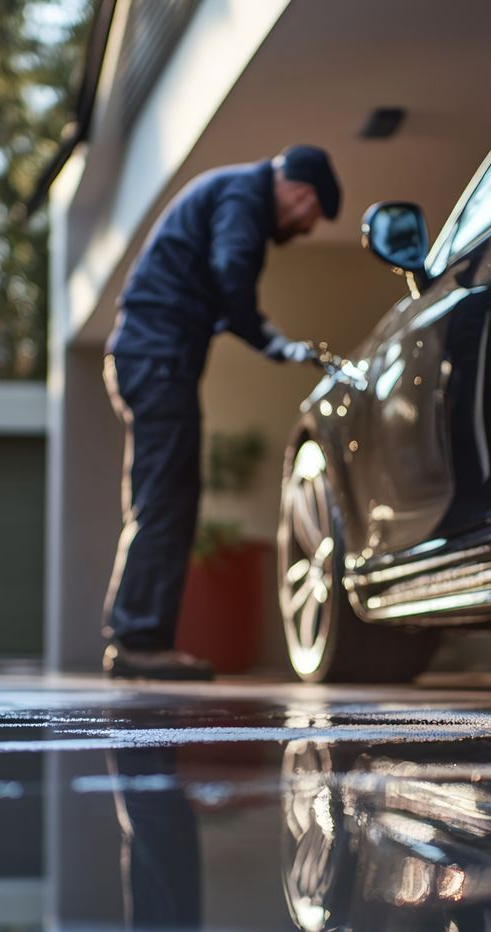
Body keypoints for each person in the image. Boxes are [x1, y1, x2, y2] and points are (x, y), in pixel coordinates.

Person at [101, 145, 341, 681]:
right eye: (309, 217)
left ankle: (136, 636)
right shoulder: (246, 196)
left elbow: (222, 283)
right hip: (156, 359)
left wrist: (275, 343)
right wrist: (274, 342)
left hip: (150, 359)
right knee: (165, 500)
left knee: (162, 498)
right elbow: (230, 272)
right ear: (301, 193)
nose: (303, 229)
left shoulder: (233, 189)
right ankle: (138, 641)